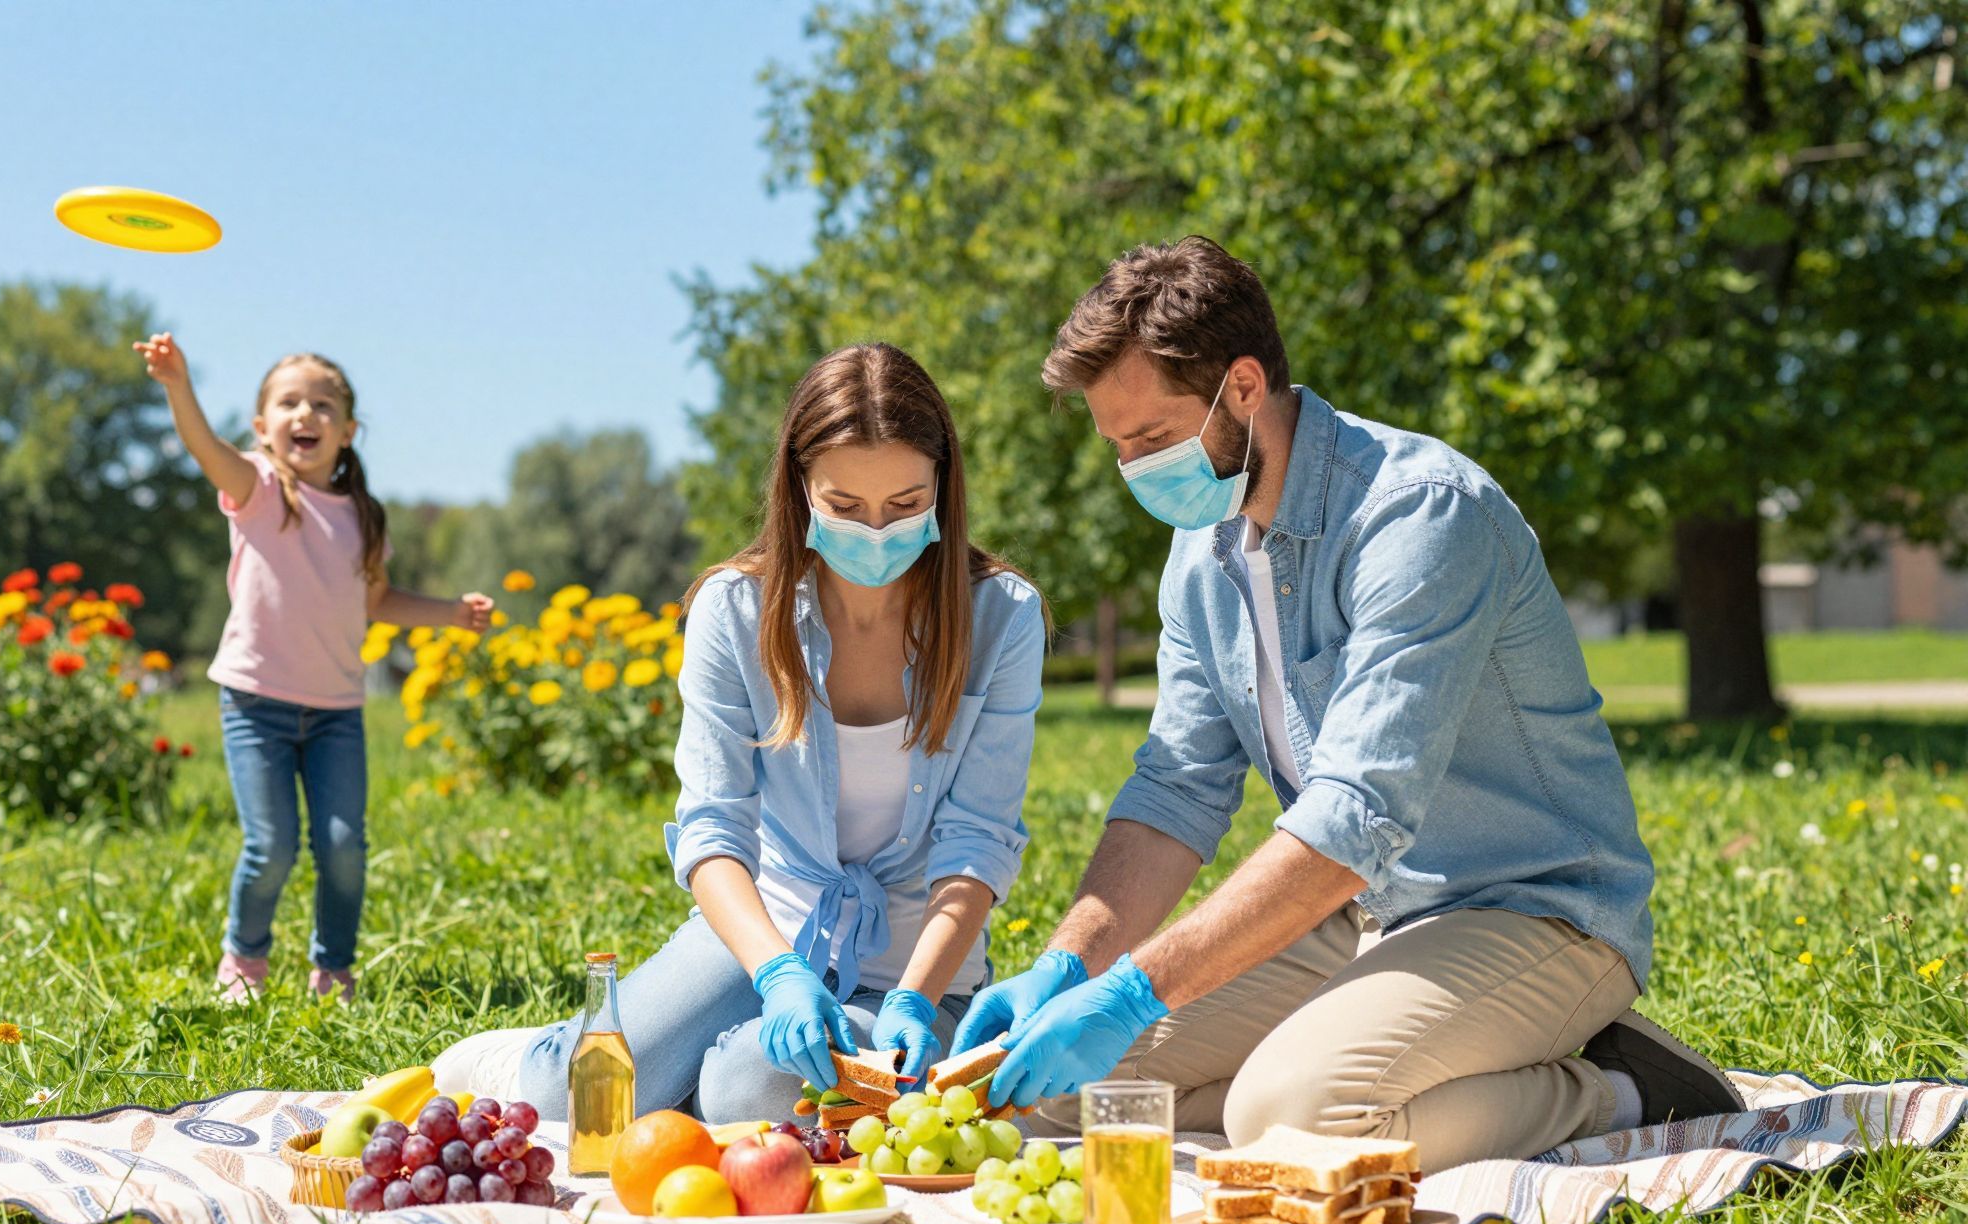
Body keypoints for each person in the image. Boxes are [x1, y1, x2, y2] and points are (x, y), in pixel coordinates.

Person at [954, 238, 1741, 1173]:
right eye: (1117, 447)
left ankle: (1626, 1088)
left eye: (1153, 439)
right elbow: (1175, 791)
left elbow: (1353, 816)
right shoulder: (1199, 554)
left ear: (1244, 387)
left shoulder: (1421, 515)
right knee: (1058, 1101)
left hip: (1536, 911)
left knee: (1298, 1118)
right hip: (1364, 917)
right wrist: (1067, 966)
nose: (1133, 471)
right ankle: (1333, 1072)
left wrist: (1134, 993)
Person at [439, 343, 1046, 1123]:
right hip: (760, 935)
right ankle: (548, 1054)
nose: (875, 532)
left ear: (942, 488)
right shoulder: (734, 611)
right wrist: (779, 976)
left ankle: (706, 1067)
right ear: (800, 491)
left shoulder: (1003, 618)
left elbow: (978, 840)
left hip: (915, 959)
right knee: (575, 1101)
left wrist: (916, 1000)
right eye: (844, 506)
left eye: (903, 504)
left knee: (749, 1092)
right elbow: (714, 828)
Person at [134, 334, 493, 1004]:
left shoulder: (363, 517)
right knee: (270, 847)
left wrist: (448, 613)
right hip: (255, 703)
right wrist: (177, 384)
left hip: (335, 712)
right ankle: (243, 962)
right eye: (290, 402)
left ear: (349, 431)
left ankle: (333, 969)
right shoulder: (260, 488)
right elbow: (204, 450)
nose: (307, 414)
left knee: (343, 846)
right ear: (262, 426)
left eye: (323, 405)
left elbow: (377, 600)